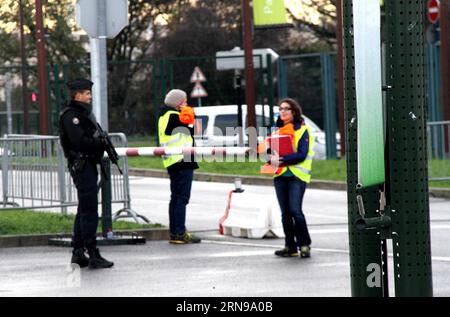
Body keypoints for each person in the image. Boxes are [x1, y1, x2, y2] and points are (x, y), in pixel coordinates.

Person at [59, 78, 114, 269]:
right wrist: (100, 143)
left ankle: (78, 252)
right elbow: (80, 142)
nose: (90, 96)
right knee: (90, 210)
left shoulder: (83, 114)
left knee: (84, 209)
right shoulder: (71, 116)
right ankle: (92, 253)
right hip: (81, 166)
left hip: (88, 165)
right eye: (87, 93)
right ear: (77, 94)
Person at [265, 98, 314, 258]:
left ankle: (304, 244)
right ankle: (290, 246)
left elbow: (302, 154)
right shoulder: (276, 131)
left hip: (296, 176)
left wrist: (282, 160)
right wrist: (269, 157)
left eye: (286, 109)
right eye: (281, 109)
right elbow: (268, 151)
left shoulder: (303, 130)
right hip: (280, 176)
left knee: (295, 211)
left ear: (294, 112)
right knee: (285, 213)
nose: (283, 111)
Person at [158, 89, 201, 244]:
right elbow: (194, 127)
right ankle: (179, 233)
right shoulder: (174, 116)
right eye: (184, 101)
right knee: (182, 198)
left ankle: (175, 232)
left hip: (172, 160)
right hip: (182, 160)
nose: (187, 104)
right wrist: (188, 112)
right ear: (178, 103)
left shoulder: (165, 116)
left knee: (175, 198)